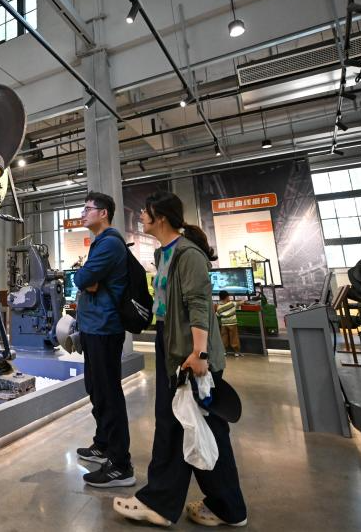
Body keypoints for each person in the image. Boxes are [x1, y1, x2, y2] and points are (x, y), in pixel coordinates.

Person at [114, 191, 247, 527]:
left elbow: (199, 305)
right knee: (186, 425)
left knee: (192, 426)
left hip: (190, 352)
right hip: (171, 345)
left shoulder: (188, 255)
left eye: (145, 212)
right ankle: (223, 507)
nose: (140, 217)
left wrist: (199, 353)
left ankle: (174, 503)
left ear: (160, 217)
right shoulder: (164, 254)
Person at [71, 190, 133, 488]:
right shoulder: (100, 242)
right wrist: (86, 278)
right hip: (94, 327)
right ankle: (104, 444)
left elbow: (82, 278)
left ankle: (121, 465)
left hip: (105, 328)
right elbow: (87, 280)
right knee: (96, 389)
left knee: (109, 394)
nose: (83, 214)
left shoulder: (109, 243)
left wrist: (83, 277)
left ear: (103, 213)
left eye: (87, 209)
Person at [215, 291, 241, 357]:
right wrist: (243, 301)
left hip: (224, 324)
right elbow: (240, 303)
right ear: (227, 297)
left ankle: (224, 351)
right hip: (232, 323)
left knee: (224, 337)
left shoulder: (219, 307)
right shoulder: (232, 304)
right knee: (234, 337)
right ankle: (236, 352)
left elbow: (217, 315)